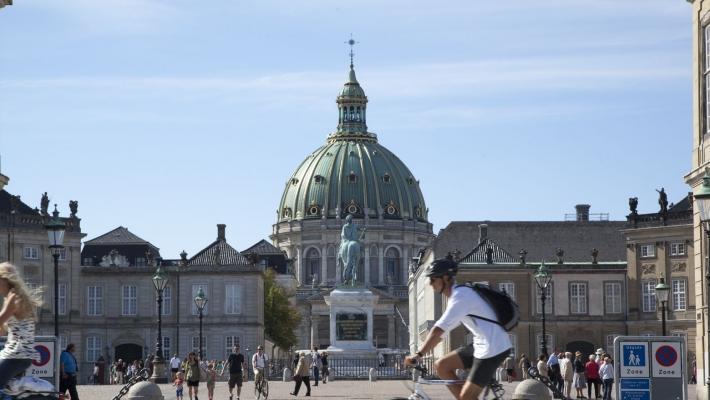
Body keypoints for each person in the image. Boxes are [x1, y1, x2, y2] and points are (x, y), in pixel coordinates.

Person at [404, 258, 512, 400]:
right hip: (482, 344)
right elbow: (444, 329)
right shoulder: (458, 295)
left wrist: (417, 355)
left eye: (433, 279)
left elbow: (438, 331)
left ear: (446, 278)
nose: (430, 284)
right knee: (441, 365)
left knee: (465, 397)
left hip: (493, 348)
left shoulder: (460, 297)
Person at [0, 263, 43, 391]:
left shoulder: (14, 297)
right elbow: (2, 331)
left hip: (17, 355)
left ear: (5, 279)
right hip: (17, 354)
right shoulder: (12, 297)